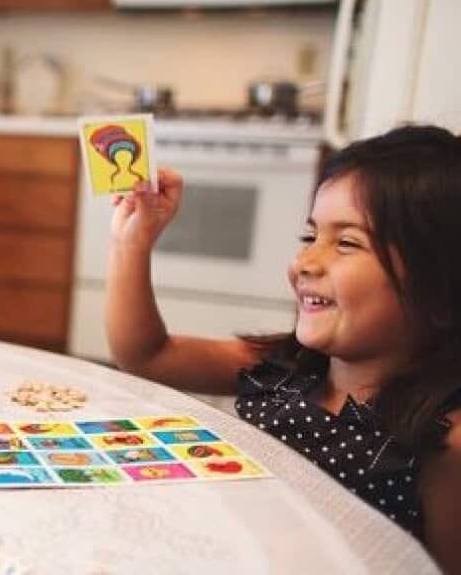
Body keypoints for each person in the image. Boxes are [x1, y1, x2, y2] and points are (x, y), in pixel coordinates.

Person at [106, 124, 460, 571]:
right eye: (310, 237)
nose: (304, 262)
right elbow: (146, 356)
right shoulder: (282, 369)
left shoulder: (446, 441)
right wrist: (129, 241)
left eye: (347, 243)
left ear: (440, 293)